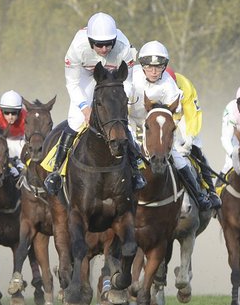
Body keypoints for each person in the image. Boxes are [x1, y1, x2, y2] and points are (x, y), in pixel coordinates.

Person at [44, 12, 146, 195]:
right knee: (75, 121)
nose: (105, 48)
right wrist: (84, 108)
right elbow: (73, 83)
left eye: (109, 44)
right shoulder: (77, 47)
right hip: (84, 75)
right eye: (99, 44)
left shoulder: (124, 47)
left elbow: (128, 82)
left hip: (113, 79)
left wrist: (120, 102)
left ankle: (135, 169)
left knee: (119, 121)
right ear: (90, 41)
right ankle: (56, 170)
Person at [127, 41, 218, 210]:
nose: (154, 71)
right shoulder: (131, 77)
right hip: (130, 120)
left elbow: (173, 118)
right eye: (149, 66)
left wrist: (183, 139)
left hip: (155, 126)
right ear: (142, 65)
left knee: (179, 158)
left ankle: (200, 195)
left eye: (159, 67)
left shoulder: (170, 86)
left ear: (165, 66)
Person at [165, 66, 220, 206]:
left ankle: (211, 192)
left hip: (182, 120)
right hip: (161, 123)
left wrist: (189, 138)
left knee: (196, 151)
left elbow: (192, 114)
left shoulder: (184, 84)